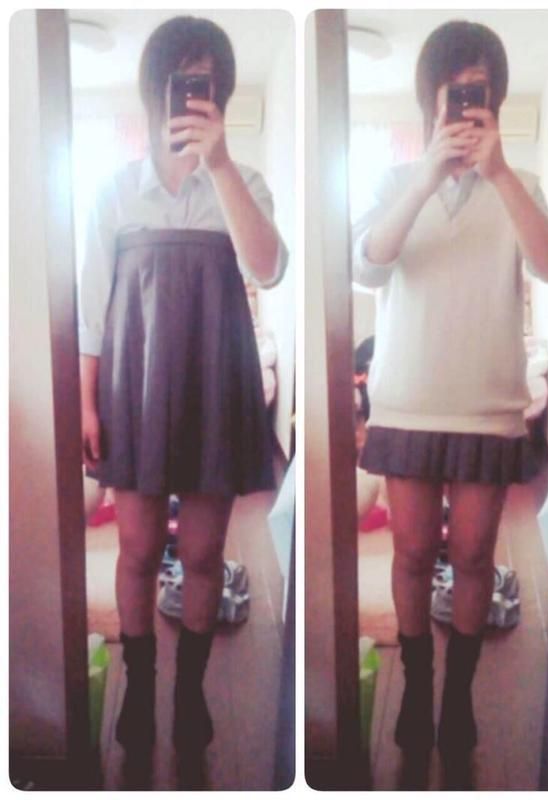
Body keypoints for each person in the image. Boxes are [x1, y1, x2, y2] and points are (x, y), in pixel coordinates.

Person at [352, 19, 548, 787]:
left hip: (488, 406)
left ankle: (460, 698)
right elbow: (368, 266)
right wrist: (424, 177)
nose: (467, 106)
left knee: (474, 557)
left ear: (496, 101)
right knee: (412, 554)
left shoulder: (522, 184)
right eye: (455, 92)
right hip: (407, 402)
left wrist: (501, 174)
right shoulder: (392, 184)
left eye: (480, 92)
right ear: (431, 101)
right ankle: (415, 687)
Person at [78, 16, 288, 789]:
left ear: (221, 96)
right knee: (136, 550)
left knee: (202, 555)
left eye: (206, 84)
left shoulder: (244, 182)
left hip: (215, 388)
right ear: (154, 93)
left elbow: (269, 269)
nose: (193, 96)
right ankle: (138, 689)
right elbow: (92, 311)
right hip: (134, 391)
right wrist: (87, 404)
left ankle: (191, 690)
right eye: (181, 82)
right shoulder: (115, 191)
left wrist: (220, 163)